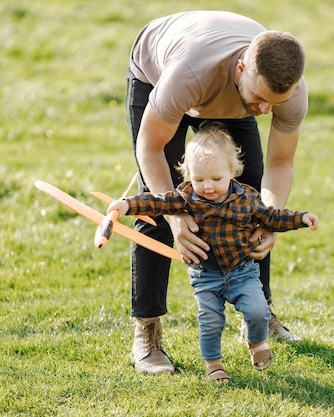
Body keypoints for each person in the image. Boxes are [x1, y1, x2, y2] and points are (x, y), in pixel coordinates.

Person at [125, 10, 309, 375]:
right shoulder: (188, 74)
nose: (265, 111)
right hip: (159, 74)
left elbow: (281, 165)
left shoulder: (284, 92)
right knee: (156, 206)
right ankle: (147, 332)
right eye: (260, 100)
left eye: (275, 102)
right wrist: (176, 215)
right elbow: (151, 147)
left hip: (225, 93)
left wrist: (267, 220)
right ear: (242, 68)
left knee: (250, 200)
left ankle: (260, 312)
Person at [108, 124, 319, 382]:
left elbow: (272, 217)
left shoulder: (247, 198)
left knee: (258, 310)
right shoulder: (186, 196)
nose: (207, 186)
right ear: (188, 176)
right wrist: (126, 205)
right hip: (206, 276)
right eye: (199, 179)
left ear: (232, 172)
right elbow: (157, 201)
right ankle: (214, 365)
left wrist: (301, 218)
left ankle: (256, 342)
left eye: (216, 179)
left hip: (243, 271)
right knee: (211, 323)